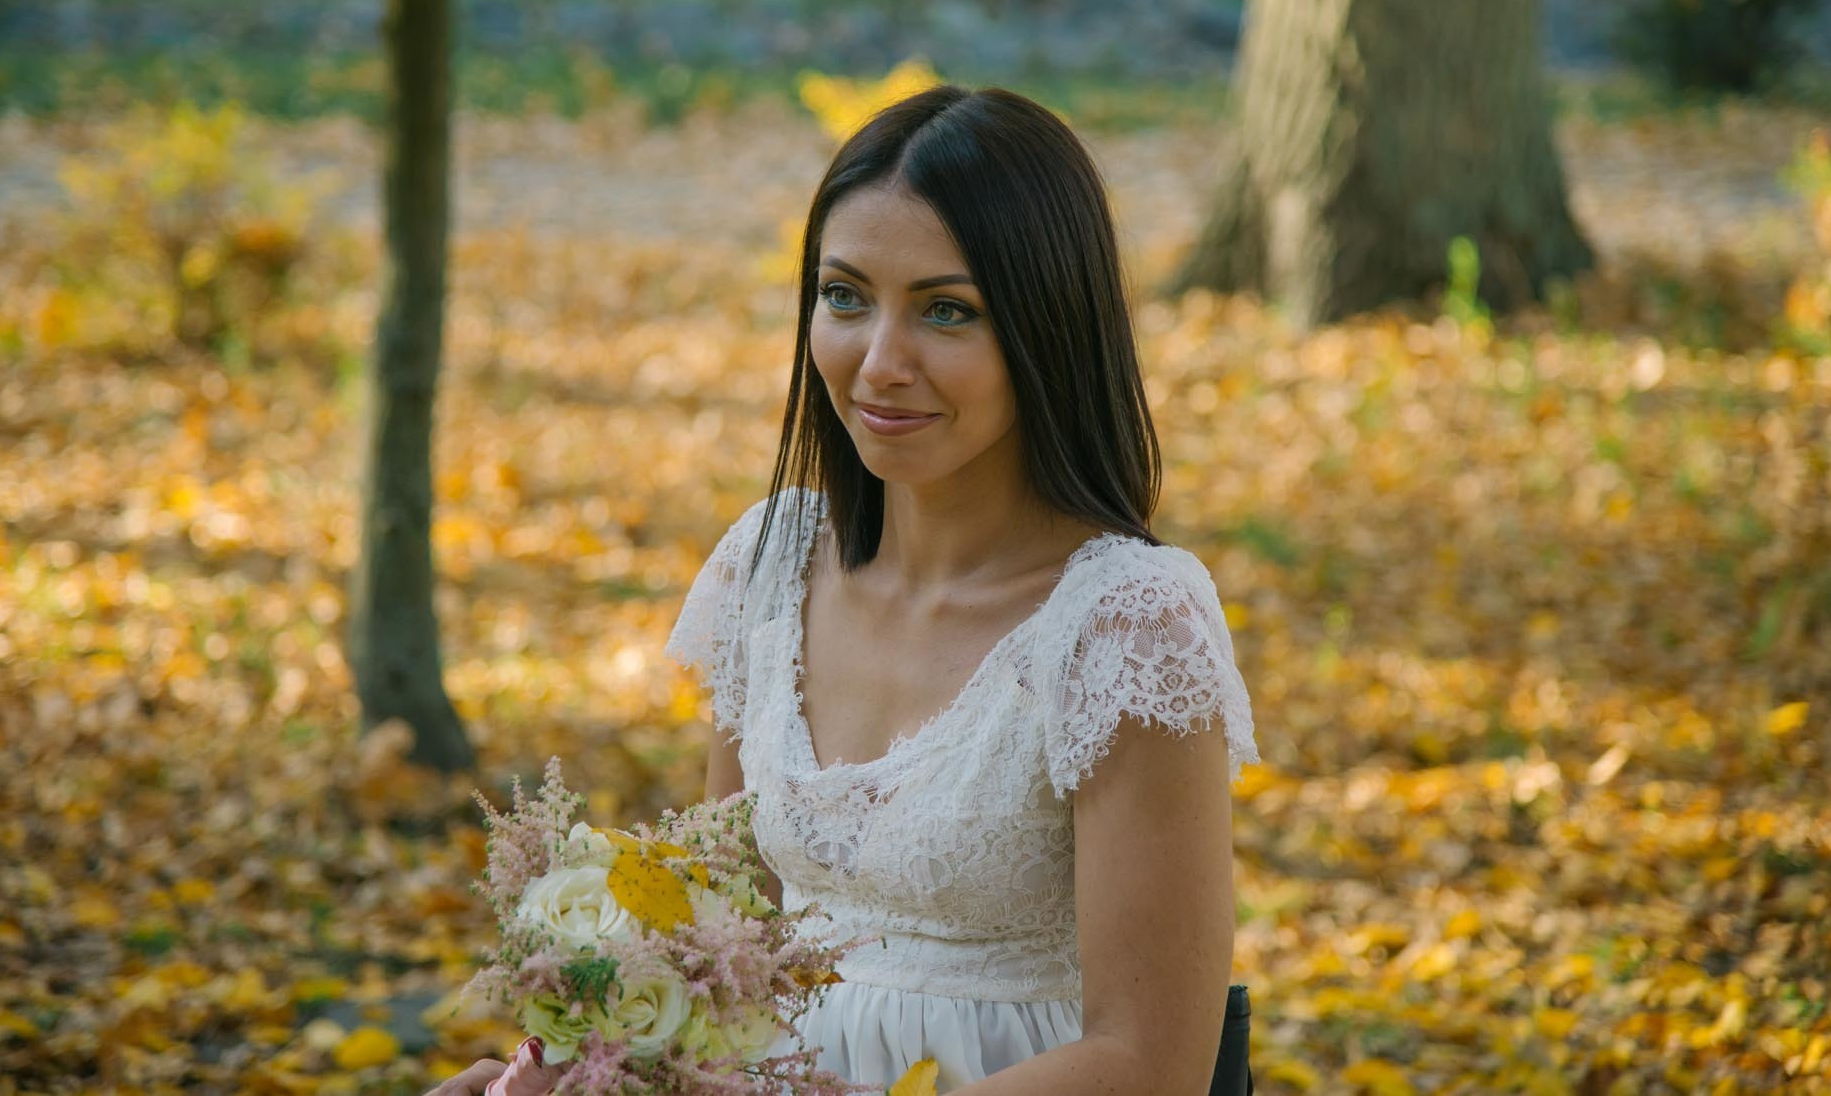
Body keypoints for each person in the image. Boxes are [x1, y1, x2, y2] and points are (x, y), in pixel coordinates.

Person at [431, 85, 1259, 1095]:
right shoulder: (772, 563)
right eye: (844, 296)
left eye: (946, 311)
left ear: (1047, 329)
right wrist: (565, 1072)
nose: (879, 363)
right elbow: (720, 960)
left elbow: (1148, 1065)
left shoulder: (1125, 625)